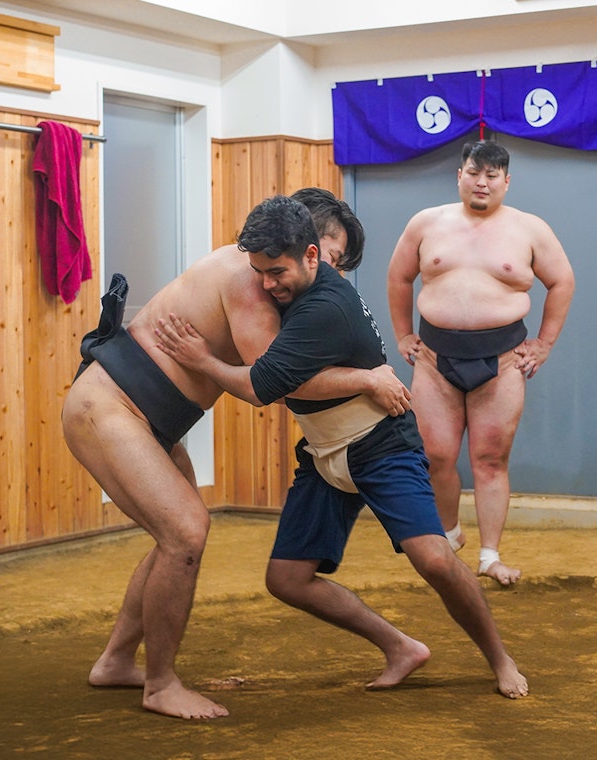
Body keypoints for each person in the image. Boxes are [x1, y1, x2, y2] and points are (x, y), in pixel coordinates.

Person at [155, 195, 529, 699]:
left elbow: (261, 386)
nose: (267, 284)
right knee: (287, 579)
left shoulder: (325, 307)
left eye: (277, 272)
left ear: (311, 257)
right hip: (323, 450)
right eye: (259, 272)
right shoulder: (282, 292)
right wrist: (365, 377)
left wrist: (201, 361)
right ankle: (400, 647)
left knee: (436, 560)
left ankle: (501, 660)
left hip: (382, 443)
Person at [61, 193, 408, 720]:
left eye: (338, 262)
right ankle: (161, 685)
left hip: (148, 414)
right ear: (301, 244)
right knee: (185, 533)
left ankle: (114, 662)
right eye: (329, 256)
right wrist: (366, 377)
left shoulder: (279, 282)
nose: (331, 270)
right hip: (109, 405)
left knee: (173, 535)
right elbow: (270, 383)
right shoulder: (250, 280)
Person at [386, 140, 576, 585]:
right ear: (459, 175)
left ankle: (490, 557)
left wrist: (544, 343)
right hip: (434, 360)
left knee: (490, 459)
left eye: (492, 176)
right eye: (474, 173)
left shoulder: (530, 229)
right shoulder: (426, 223)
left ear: (506, 182)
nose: (482, 182)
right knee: (434, 455)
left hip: (503, 361)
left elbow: (562, 281)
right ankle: (450, 535)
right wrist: (402, 335)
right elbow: (399, 276)